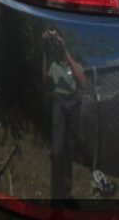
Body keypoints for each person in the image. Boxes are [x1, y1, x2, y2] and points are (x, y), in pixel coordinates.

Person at [43, 28, 86, 202]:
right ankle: (55, 195)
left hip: (74, 104)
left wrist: (65, 50)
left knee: (69, 150)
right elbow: (44, 81)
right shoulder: (53, 65)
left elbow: (82, 82)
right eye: (54, 38)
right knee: (58, 149)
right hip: (60, 102)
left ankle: (66, 192)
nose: (56, 41)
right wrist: (43, 49)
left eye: (57, 36)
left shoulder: (75, 63)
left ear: (62, 38)